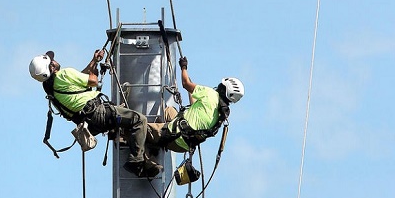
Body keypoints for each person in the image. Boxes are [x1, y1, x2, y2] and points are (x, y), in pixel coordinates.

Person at [29, 49, 163, 178]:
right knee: (139, 120)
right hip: (99, 113)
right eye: (52, 61)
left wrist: (94, 61)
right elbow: (93, 81)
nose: (55, 60)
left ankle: (135, 144)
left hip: (90, 124)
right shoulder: (65, 74)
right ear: (51, 68)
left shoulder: (50, 88)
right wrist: (95, 73)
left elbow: (80, 79)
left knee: (125, 116)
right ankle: (136, 161)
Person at [147, 57, 244, 152]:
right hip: (184, 146)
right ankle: (156, 141)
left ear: (223, 89)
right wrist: (191, 89)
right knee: (169, 111)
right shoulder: (221, 115)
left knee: (139, 126)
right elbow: (195, 107)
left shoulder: (210, 94)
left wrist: (183, 67)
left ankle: (151, 145)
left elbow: (185, 84)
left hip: (174, 135)